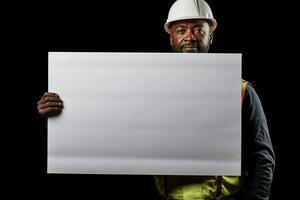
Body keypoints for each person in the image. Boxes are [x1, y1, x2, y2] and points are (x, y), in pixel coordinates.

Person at [37, 0, 275, 199]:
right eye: (181, 30)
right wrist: (59, 112)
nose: (189, 37)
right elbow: (109, 122)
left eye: (198, 29)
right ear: (170, 37)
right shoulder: (146, 88)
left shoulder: (241, 91)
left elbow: (263, 156)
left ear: (210, 36)